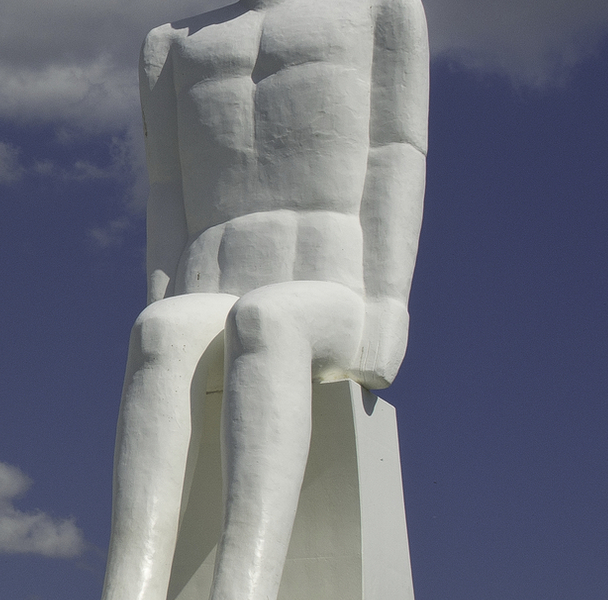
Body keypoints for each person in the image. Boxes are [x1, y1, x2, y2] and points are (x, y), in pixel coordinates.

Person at [101, 0, 428, 598]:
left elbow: (394, 154)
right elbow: (167, 189)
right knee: (160, 334)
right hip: (210, 275)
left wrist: (388, 306)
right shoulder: (169, 43)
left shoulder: (380, 10)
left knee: (267, 321)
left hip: (330, 279)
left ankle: (242, 590)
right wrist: (161, 298)